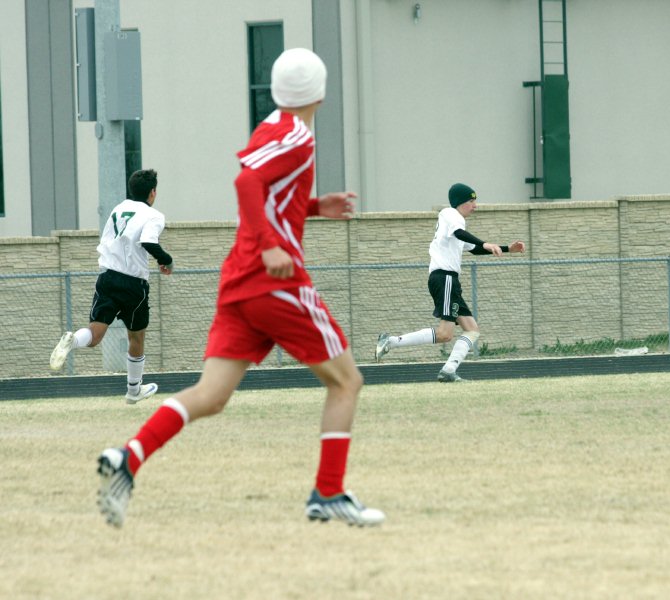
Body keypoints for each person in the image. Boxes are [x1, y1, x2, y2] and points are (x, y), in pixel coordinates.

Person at [95, 48, 384, 529]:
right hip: (273, 281)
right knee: (347, 381)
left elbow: (268, 193)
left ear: (275, 90)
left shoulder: (273, 126)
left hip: (239, 283)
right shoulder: (295, 134)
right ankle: (328, 493)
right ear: (322, 92)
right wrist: (273, 246)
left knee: (210, 395)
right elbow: (248, 184)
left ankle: (129, 458)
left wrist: (312, 207)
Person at [375, 183, 525, 381]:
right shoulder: (450, 214)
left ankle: (448, 371)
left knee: (472, 330)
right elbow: (461, 235)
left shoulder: (456, 223)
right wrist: (486, 243)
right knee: (445, 334)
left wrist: (506, 249)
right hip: (444, 278)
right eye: (472, 201)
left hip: (449, 280)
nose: (475, 206)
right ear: (460, 202)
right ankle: (391, 342)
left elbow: (472, 248)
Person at [50, 169, 173, 404]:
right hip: (133, 284)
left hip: (106, 278)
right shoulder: (154, 215)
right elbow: (148, 241)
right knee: (136, 337)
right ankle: (133, 390)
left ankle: (72, 340)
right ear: (152, 192)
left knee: (95, 335)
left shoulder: (118, 209)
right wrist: (166, 259)